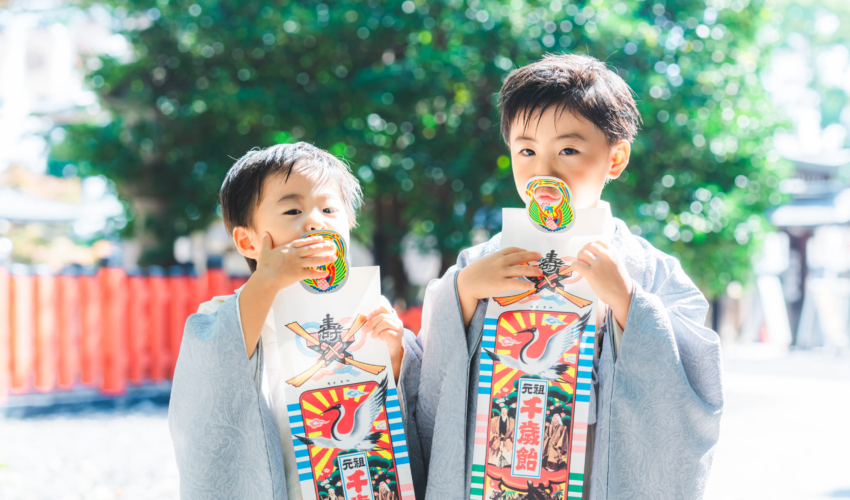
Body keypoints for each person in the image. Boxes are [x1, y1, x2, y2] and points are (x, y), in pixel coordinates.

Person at [396, 54, 724, 500]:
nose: (544, 170)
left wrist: (630, 302)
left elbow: (693, 385)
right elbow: (435, 385)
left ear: (616, 158)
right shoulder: (482, 260)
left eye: (568, 150)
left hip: (596, 477)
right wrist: (463, 292)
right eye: (526, 150)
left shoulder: (650, 270)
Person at [169, 142, 406, 500]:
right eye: (293, 210)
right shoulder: (229, 313)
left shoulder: (366, 305)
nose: (315, 221)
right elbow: (215, 371)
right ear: (247, 241)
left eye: (329, 209)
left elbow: (400, 402)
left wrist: (396, 354)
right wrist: (267, 280)